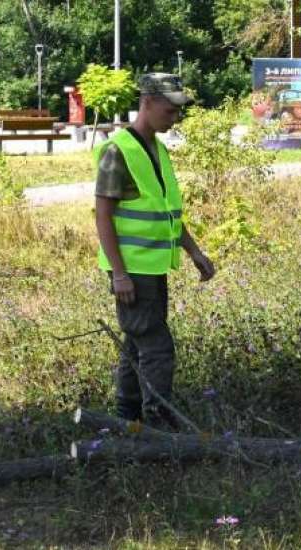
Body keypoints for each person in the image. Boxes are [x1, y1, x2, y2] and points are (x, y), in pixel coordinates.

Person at [94, 73, 215, 427]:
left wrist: (193, 251)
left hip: (152, 266)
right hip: (132, 270)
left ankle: (127, 417)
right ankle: (158, 422)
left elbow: (166, 211)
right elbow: (102, 216)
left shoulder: (156, 149)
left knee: (137, 342)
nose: (175, 117)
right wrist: (119, 273)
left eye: (179, 111)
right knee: (156, 347)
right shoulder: (117, 151)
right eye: (170, 109)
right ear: (147, 102)